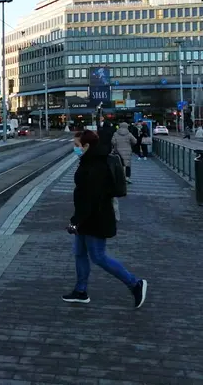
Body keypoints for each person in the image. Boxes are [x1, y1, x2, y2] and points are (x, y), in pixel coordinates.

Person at [62, 130, 148, 308]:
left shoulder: (95, 166)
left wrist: (75, 220)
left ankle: (135, 283)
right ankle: (80, 290)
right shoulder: (88, 160)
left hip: (96, 218)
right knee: (79, 253)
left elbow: (91, 198)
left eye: (77, 145)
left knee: (98, 257)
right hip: (86, 218)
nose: (74, 148)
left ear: (86, 146)